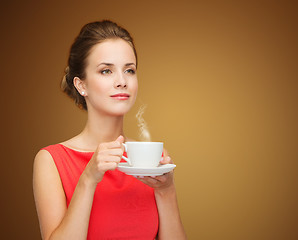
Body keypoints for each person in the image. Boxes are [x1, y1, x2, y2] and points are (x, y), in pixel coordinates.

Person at [33, 20, 187, 240]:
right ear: (81, 85)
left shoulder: (148, 163)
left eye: (129, 70)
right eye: (106, 71)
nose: (122, 81)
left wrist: (166, 190)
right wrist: (88, 179)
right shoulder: (51, 160)